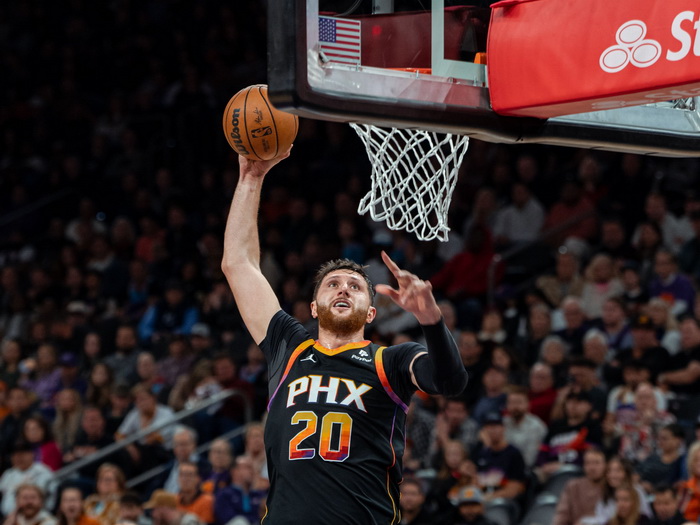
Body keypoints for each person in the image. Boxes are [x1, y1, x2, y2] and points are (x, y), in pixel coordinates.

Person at [221, 152, 468, 523]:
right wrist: (250, 177)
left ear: (371, 313)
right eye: (332, 284)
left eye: (355, 286)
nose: (343, 289)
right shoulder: (289, 347)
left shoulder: (392, 360)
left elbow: (450, 382)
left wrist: (431, 320)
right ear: (314, 307)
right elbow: (238, 264)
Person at [0, 441, 55, 518]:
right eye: (15, 455)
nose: (19, 458)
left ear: (32, 454)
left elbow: (52, 497)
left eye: (22, 454)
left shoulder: (43, 472)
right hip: (8, 518)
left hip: (37, 518)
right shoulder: (8, 474)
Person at [553, 447, 607, 525]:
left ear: (605, 465)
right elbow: (562, 515)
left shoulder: (610, 487)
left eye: (596, 463)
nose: (592, 468)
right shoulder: (573, 486)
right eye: (588, 463)